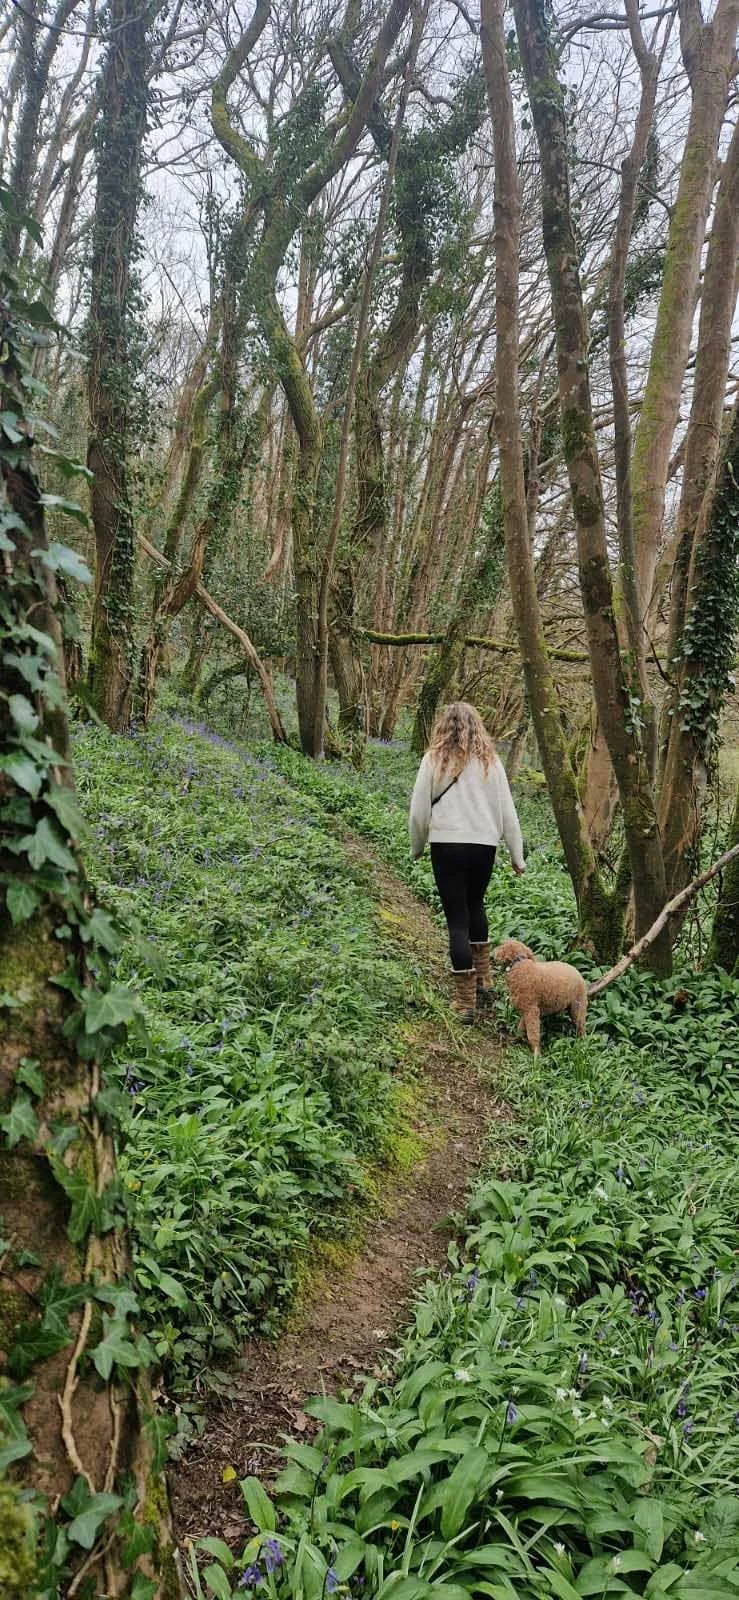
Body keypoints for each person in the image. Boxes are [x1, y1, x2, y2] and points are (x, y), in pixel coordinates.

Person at [409, 701, 525, 1023]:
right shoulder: (493, 764)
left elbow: (419, 811)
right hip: (483, 846)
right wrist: (518, 856)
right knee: (476, 905)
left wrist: (417, 846)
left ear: (444, 727)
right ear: (478, 728)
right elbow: (508, 814)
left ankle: (464, 1003)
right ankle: (484, 981)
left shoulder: (434, 759)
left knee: (457, 918)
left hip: (447, 845)